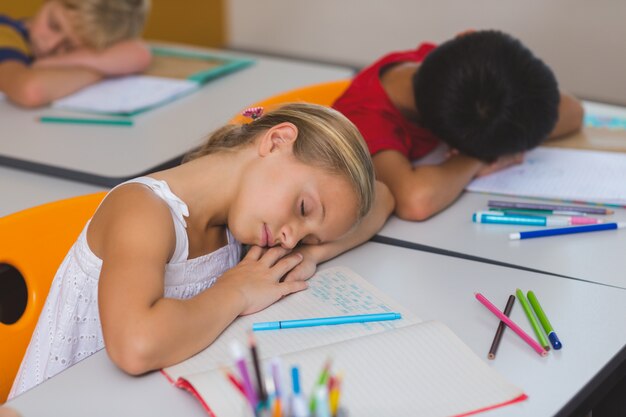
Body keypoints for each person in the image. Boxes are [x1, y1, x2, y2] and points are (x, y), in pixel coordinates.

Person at [8, 103, 394, 398]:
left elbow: (383, 199)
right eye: (304, 209)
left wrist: (307, 256)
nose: (290, 240)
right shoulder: (145, 212)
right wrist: (236, 291)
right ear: (276, 141)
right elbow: (135, 347)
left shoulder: (241, 220)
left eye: (308, 237)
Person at [333, 30, 584, 221]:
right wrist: (480, 157)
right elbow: (415, 201)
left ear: (465, 35)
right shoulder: (365, 120)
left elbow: (573, 111)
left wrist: (485, 146)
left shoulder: (458, 69)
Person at [0, 0, 151, 107]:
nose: (50, 45)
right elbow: (31, 91)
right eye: (54, 25)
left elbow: (139, 53)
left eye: (69, 46)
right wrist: (101, 71)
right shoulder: (5, 33)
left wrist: (53, 64)